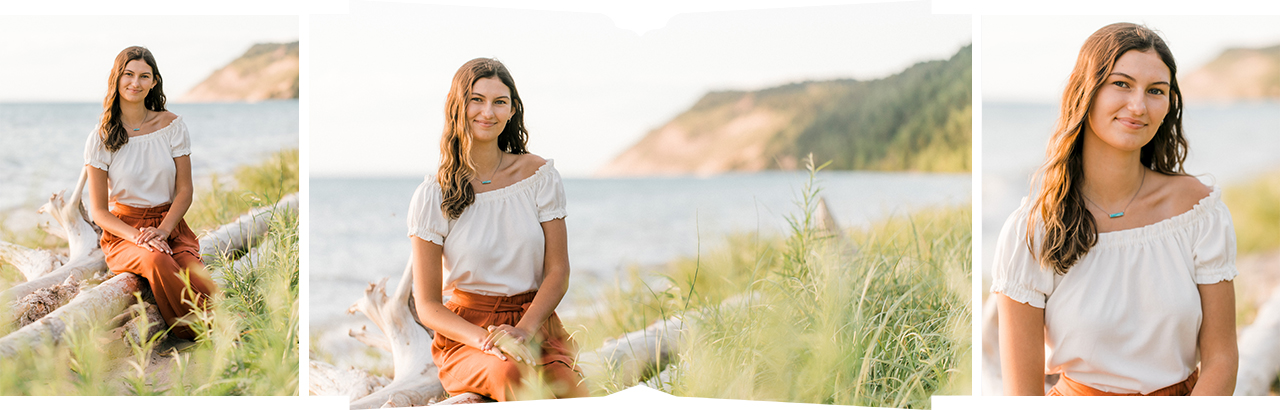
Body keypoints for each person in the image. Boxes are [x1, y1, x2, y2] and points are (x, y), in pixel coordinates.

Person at [991, 23, 1238, 396]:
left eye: (1155, 91)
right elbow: (1022, 396)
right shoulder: (1033, 231)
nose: (1138, 106)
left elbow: (1221, 359)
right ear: (1086, 92)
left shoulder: (1199, 213)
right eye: (1121, 84)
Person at [407, 57, 587, 402]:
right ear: (457, 105)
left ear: (512, 110)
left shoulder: (539, 177)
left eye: (499, 102)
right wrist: (485, 340)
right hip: (469, 335)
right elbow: (428, 304)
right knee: (511, 375)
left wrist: (523, 330)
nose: (487, 112)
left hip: (535, 323)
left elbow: (558, 271)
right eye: (476, 99)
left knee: (579, 398)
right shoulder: (433, 195)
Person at [85, 46, 218, 340]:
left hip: (170, 225)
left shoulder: (172, 126)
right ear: (116, 79)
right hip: (125, 232)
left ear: (154, 82)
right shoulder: (101, 138)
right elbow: (100, 212)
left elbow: (184, 191)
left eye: (144, 76)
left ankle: (223, 321)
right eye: (128, 74)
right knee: (156, 260)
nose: (136, 83)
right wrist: (141, 237)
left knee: (196, 274)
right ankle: (201, 331)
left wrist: (162, 230)